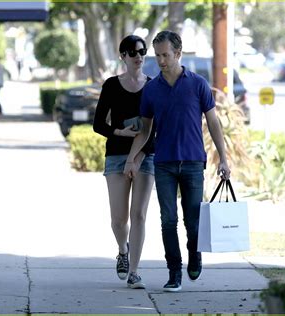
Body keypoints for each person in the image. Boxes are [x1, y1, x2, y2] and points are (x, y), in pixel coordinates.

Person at [124, 30, 231, 292]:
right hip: (164, 164)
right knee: (168, 219)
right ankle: (174, 272)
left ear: (178, 54)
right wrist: (131, 158)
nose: (161, 60)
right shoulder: (151, 91)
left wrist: (224, 160)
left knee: (192, 221)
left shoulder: (198, 84)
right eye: (158, 55)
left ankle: (194, 254)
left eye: (166, 55)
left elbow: (214, 123)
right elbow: (146, 130)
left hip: (194, 162)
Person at [93, 35, 155, 289]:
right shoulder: (111, 86)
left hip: (146, 156)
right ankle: (122, 250)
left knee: (138, 215)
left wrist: (138, 155)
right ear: (123, 57)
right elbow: (98, 124)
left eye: (142, 51)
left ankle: (135, 272)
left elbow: (154, 128)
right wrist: (120, 132)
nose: (138, 56)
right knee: (119, 219)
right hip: (117, 155)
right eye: (132, 52)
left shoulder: (153, 86)